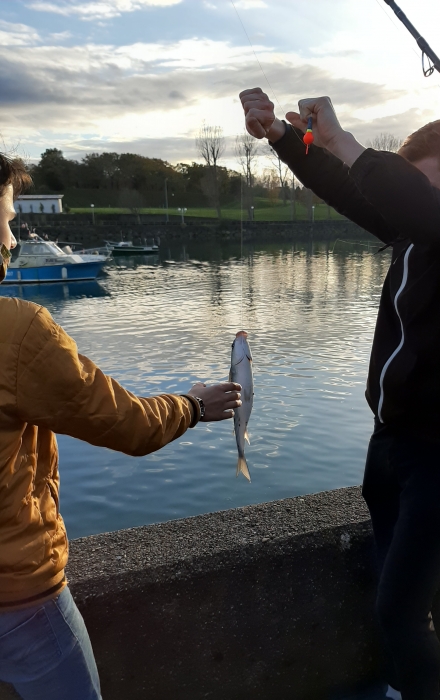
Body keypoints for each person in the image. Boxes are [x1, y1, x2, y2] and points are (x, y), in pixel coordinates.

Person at [239, 88, 440, 700]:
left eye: (422, 188)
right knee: (396, 593)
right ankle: (403, 684)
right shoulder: (427, 222)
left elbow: (418, 207)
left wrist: (344, 138)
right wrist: (288, 141)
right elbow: (354, 190)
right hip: (391, 443)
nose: (411, 203)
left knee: (399, 608)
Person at [0, 153, 242, 700]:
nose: (12, 241)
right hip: (17, 598)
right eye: (8, 218)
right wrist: (194, 405)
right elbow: (128, 425)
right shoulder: (16, 332)